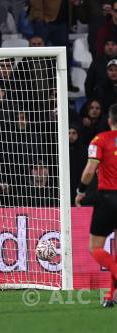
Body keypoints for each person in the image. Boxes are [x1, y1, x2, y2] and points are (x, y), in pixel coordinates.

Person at [75, 103, 117, 307]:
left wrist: (81, 191)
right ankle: (110, 296)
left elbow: (90, 169)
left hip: (109, 199)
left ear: (109, 120)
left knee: (95, 248)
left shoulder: (100, 140)